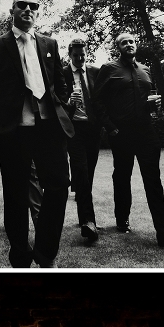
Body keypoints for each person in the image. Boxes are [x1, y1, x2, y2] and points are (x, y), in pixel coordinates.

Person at [0, 0, 73, 267]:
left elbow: (59, 83)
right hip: (14, 131)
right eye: (23, 5)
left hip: (49, 129)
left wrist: (63, 107)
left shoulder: (50, 44)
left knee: (59, 187)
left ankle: (45, 250)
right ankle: (20, 254)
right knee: (16, 195)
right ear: (13, 10)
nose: (28, 9)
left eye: (34, 6)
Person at [93, 33, 164, 252]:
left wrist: (152, 106)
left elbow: (148, 100)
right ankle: (122, 219)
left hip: (146, 132)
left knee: (153, 181)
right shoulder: (109, 69)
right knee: (122, 176)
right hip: (121, 132)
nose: (128, 44)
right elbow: (97, 101)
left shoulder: (145, 70)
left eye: (131, 41)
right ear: (118, 47)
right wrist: (111, 127)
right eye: (124, 42)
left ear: (136, 46)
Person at [64, 38, 101, 243]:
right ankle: (89, 221)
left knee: (89, 172)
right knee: (81, 169)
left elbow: (101, 99)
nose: (79, 58)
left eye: (83, 55)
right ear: (70, 54)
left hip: (93, 130)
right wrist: (69, 102)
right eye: (76, 55)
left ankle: (83, 214)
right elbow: (57, 100)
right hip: (73, 129)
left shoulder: (95, 72)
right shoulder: (62, 74)